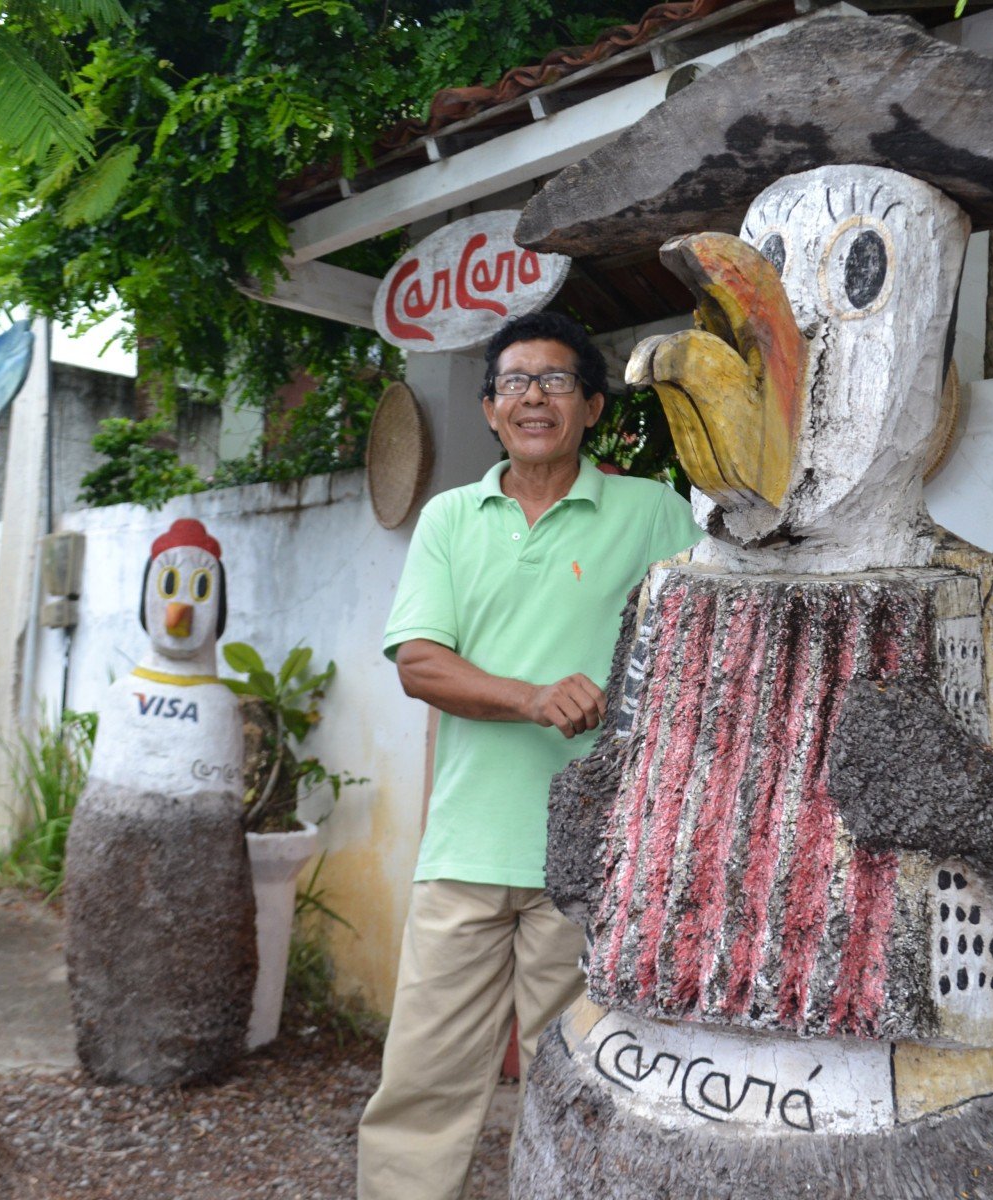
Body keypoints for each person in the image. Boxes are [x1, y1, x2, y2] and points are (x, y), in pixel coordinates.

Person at [356, 311, 703, 1200]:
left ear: (592, 407)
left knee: (577, 1089)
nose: (534, 397)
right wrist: (534, 696)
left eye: (555, 382)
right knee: (422, 1082)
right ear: (488, 409)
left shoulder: (654, 510)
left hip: (593, 860)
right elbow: (420, 664)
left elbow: (695, 662)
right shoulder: (449, 518)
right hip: (466, 849)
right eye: (515, 382)